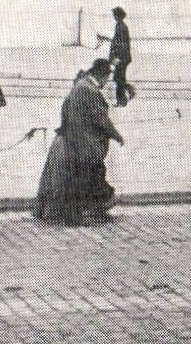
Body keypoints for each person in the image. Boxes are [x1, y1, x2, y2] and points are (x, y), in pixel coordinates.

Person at [34, 59, 124, 226]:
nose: (106, 83)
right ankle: (85, 213)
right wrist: (116, 135)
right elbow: (100, 118)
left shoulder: (80, 87)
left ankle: (88, 211)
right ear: (102, 75)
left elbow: (67, 112)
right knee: (87, 177)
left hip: (72, 141)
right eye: (107, 78)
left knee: (81, 178)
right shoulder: (89, 90)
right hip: (83, 144)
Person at [108, 7, 134, 107]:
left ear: (118, 16)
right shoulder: (120, 26)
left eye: (115, 15)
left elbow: (120, 44)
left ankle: (123, 99)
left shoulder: (121, 27)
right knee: (119, 78)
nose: (114, 17)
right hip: (123, 57)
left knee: (119, 79)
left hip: (121, 58)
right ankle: (125, 96)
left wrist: (116, 58)